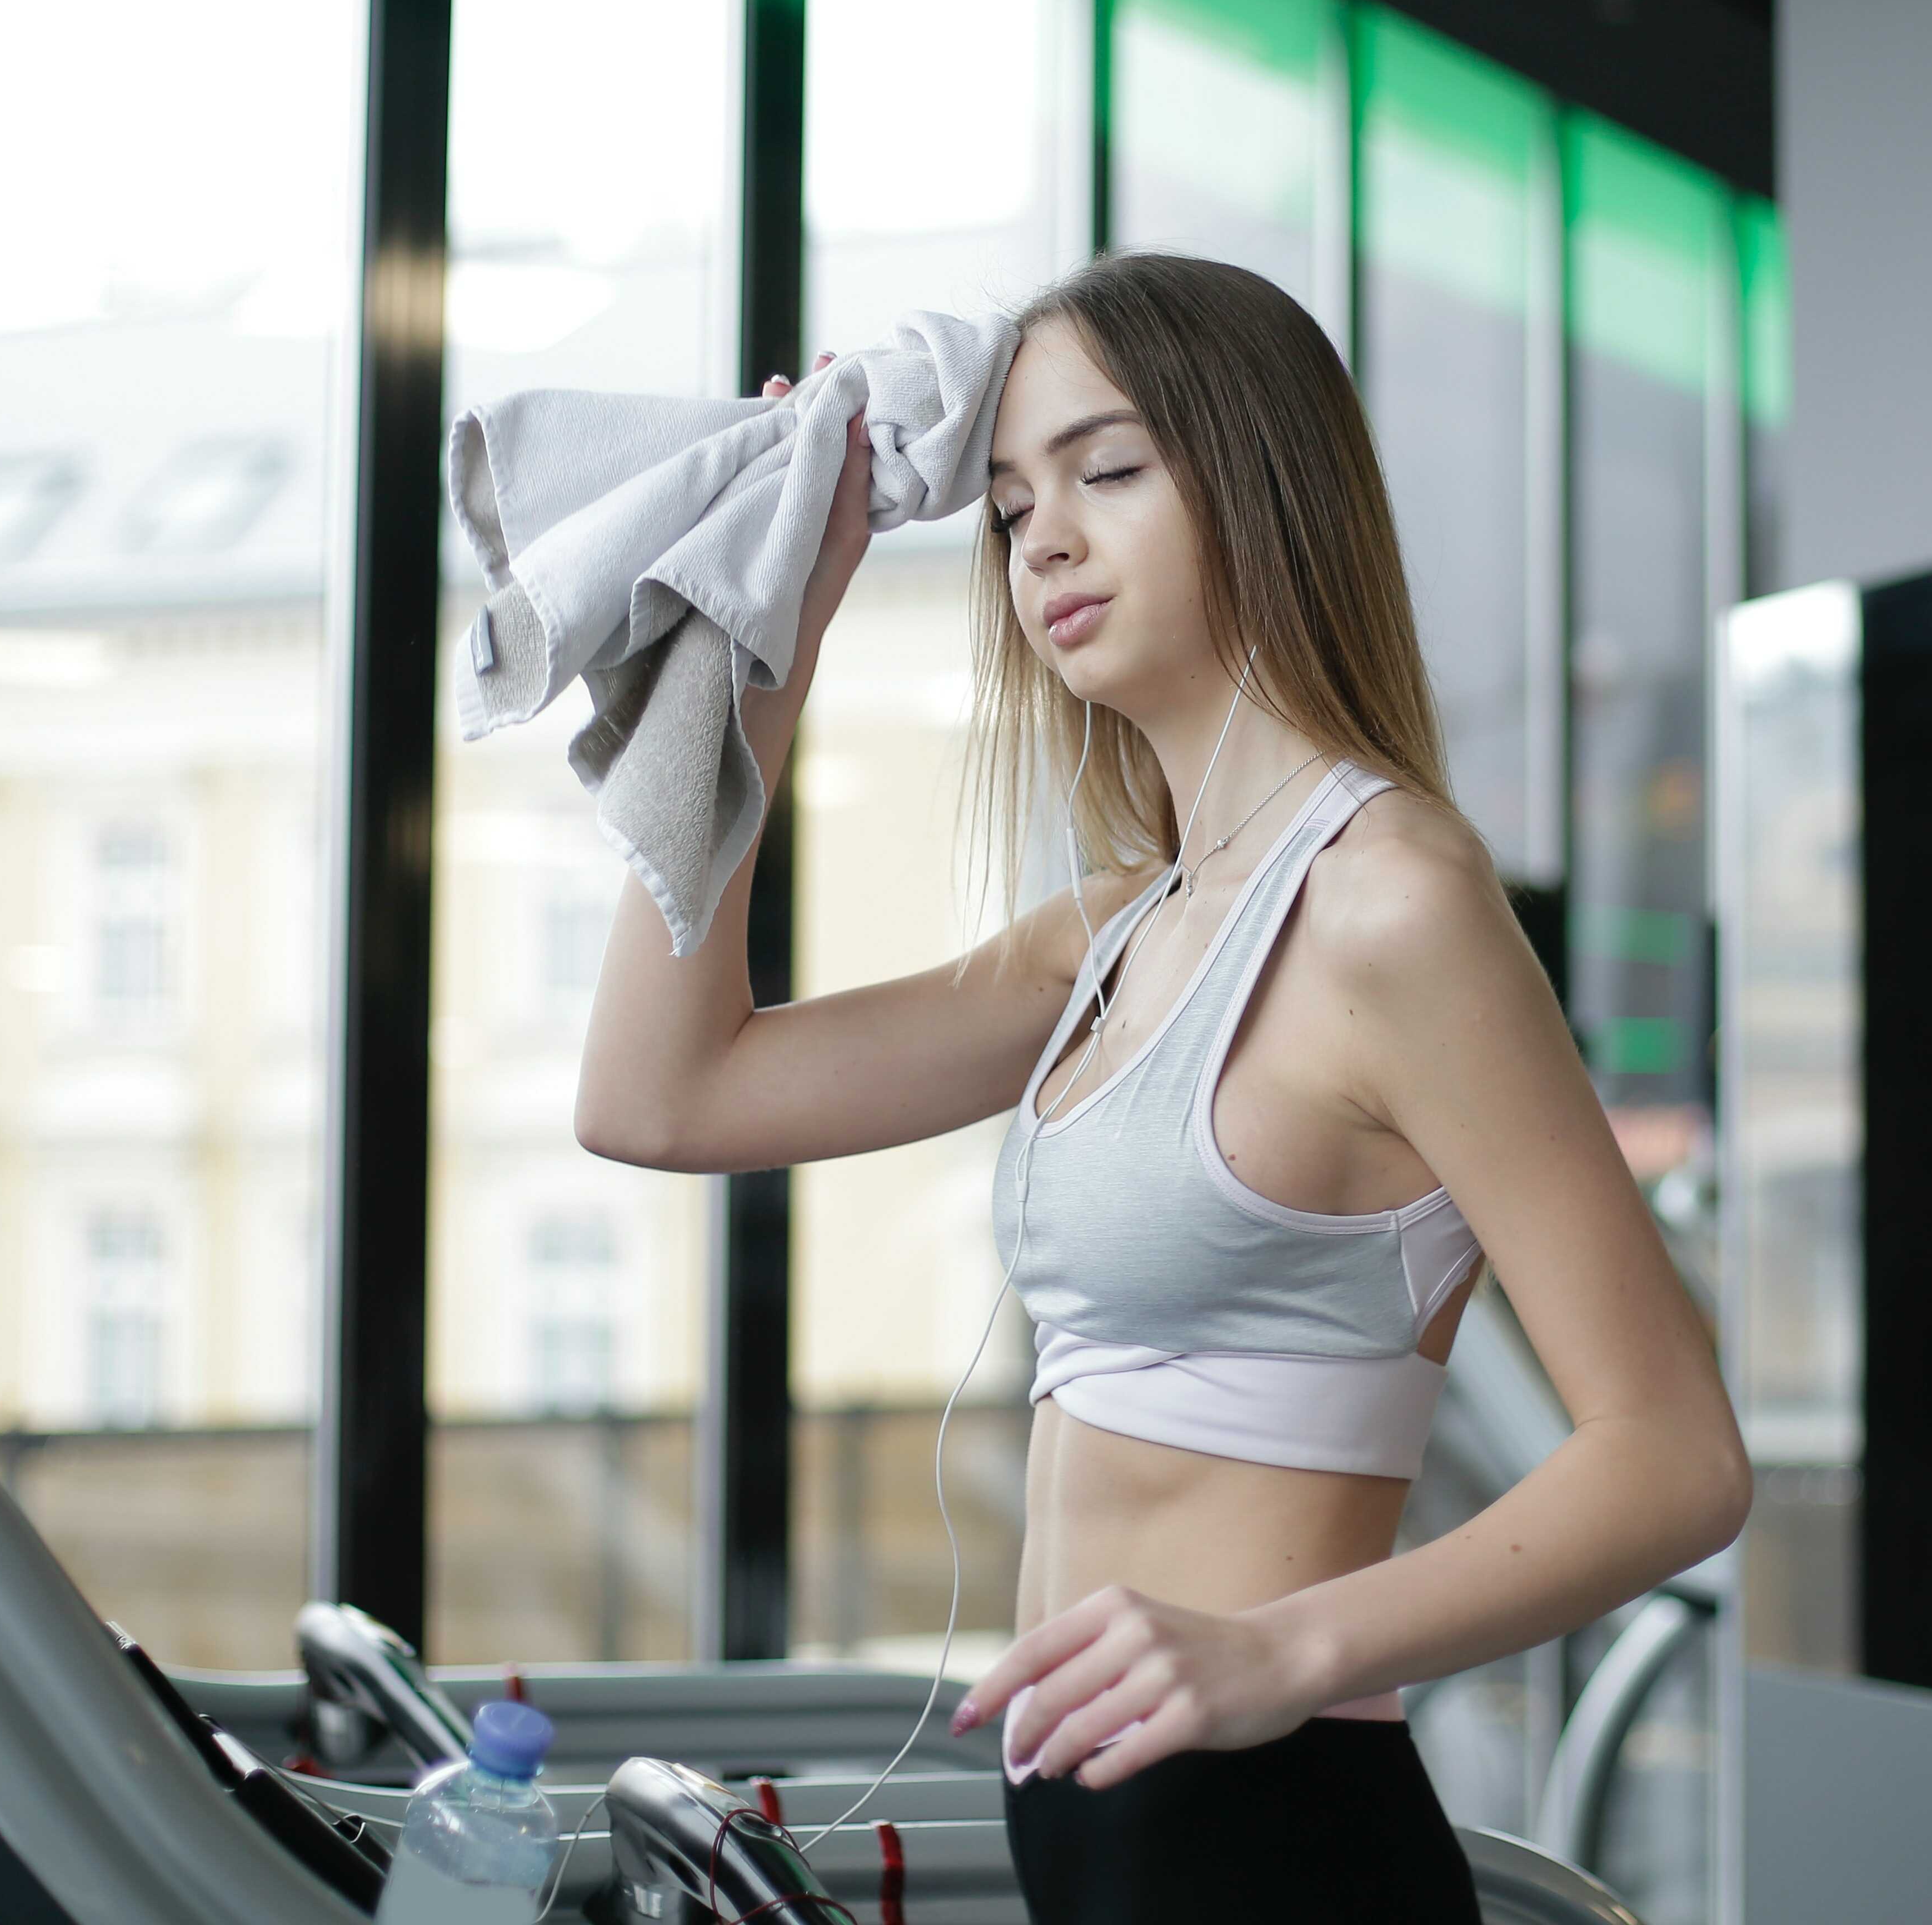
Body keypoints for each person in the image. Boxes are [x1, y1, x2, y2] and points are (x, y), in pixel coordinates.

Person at [575, 252, 1748, 1923]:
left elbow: (1678, 1455)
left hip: (1272, 1830)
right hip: (1097, 1835)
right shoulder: (1115, 932)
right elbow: (657, 1098)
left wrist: (1276, 1652)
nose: (1041, 537)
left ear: (1261, 479)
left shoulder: (1389, 900)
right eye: (1003, 506)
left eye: (1107, 470)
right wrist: (778, 624)